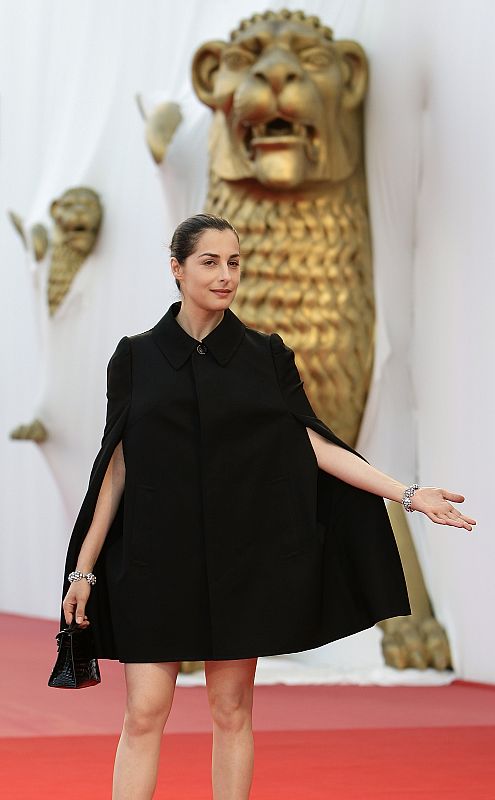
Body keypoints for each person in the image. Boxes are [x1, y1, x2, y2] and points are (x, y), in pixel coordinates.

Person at [61, 213, 476, 800]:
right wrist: (84, 568)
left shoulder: (266, 355)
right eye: (209, 262)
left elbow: (313, 442)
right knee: (144, 713)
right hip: (154, 562)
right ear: (176, 269)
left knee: (231, 712)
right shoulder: (134, 358)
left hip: (238, 565)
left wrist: (407, 494)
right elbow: (115, 468)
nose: (226, 275)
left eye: (234, 262)